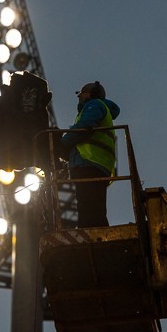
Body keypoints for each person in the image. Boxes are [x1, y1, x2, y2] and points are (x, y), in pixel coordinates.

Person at [60, 81, 120, 228]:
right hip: (95, 164)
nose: (79, 95)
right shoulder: (96, 108)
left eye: (83, 92)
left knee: (90, 208)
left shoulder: (95, 105)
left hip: (89, 163)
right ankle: (93, 234)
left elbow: (84, 127)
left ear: (92, 94)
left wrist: (61, 144)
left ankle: (93, 236)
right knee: (91, 208)